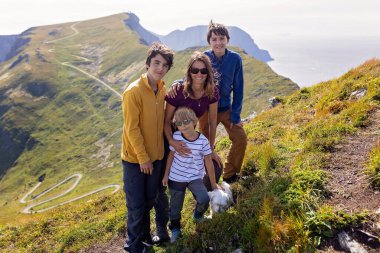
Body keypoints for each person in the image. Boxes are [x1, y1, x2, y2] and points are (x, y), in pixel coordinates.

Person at [152, 51, 222, 245]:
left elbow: (213, 121)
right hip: (170, 137)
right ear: (189, 71)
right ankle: (165, 227)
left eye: (203, 70)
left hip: (191, 136)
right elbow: (166, 122)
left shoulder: (212, 91)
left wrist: (211, 148)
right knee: (162, 181)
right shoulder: (179, 91)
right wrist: (173, 143)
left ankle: (201, 206)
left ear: (208, 72)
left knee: (216, 167)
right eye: (194, 70)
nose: (199, 74)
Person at [169, 21, 247, 183]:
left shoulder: (235, 59)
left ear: (227, 39)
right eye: (214, 39)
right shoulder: (205, 57)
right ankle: (204, 178)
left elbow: (239, 88)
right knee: (203, 146)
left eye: (221, 38)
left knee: (240, 138)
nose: (218, 42)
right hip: (205, 109)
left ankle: (230, 175)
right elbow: (192, 75)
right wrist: (177, 82)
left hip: (226, 109)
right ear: (209, 41)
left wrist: (236, 116)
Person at [121, 42, 174, 253]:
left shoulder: (162, 89)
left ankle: (143, 239)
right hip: (136, 160)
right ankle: (133, 246)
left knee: (149, 201)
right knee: (136, 205)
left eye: (165, 65)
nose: (160, 68)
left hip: (156, 157)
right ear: (147, 64)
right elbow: (132, 129)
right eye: (156, 63)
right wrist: (143, 158)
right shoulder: (133, 92)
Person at [162, 107, 219, 243]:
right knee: (175, 206)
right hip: (176, 177)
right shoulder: (176, 137)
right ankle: (175, 229)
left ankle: (198, 216)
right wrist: (166, 175)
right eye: (179, 123)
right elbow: (170, 157)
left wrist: (213, 184)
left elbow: (209, 163)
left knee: (204, 198)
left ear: (194, 120)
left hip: (195, 177)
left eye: (186, 121)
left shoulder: (203, 141)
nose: (183, 126)